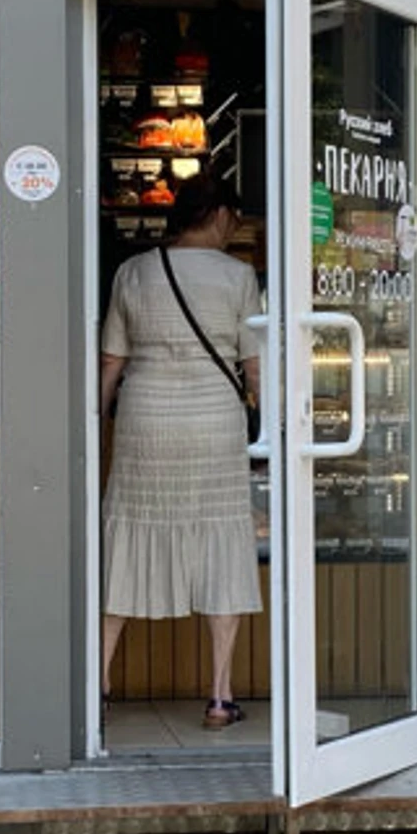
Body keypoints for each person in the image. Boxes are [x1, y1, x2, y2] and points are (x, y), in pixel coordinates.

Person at [99, 174, 262, 728]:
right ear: (218, 215)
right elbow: (253, 365)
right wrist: (272, 422)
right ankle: (219, 696)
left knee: (128, 539)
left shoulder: (134, 271)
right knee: (220, 542)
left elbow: (112, 361)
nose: (234, 228)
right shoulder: (239, 277)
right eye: (233, 218)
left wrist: (96, 421)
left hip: (146, 420)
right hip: (214, 422)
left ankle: (99, 682)